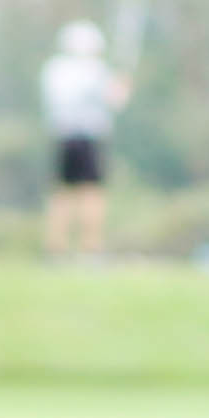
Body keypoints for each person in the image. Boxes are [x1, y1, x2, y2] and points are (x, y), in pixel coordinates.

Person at [41, 23, 128, 259]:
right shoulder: (96, 71)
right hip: (88, 137)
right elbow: (115, 101)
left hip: (63, 136)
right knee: (91, 192)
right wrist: (121, 86)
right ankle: (91, 248)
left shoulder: (54, 69)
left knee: (62, 191)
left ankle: (56, 248)